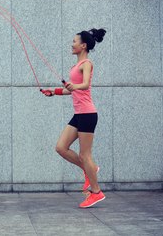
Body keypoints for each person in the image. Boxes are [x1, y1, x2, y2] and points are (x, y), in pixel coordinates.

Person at [44, 28, 106, 208]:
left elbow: (85, 85)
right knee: (61, 147)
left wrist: (75, 86)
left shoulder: (87, 63)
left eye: (74, 41)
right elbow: (70, 89)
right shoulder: (74, 66)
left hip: (87, 114)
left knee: (84, 154)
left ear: (83, 45)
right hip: (78, 114)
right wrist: (53, 92)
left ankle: (96, 192)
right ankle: (90, 169)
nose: (72, 44)